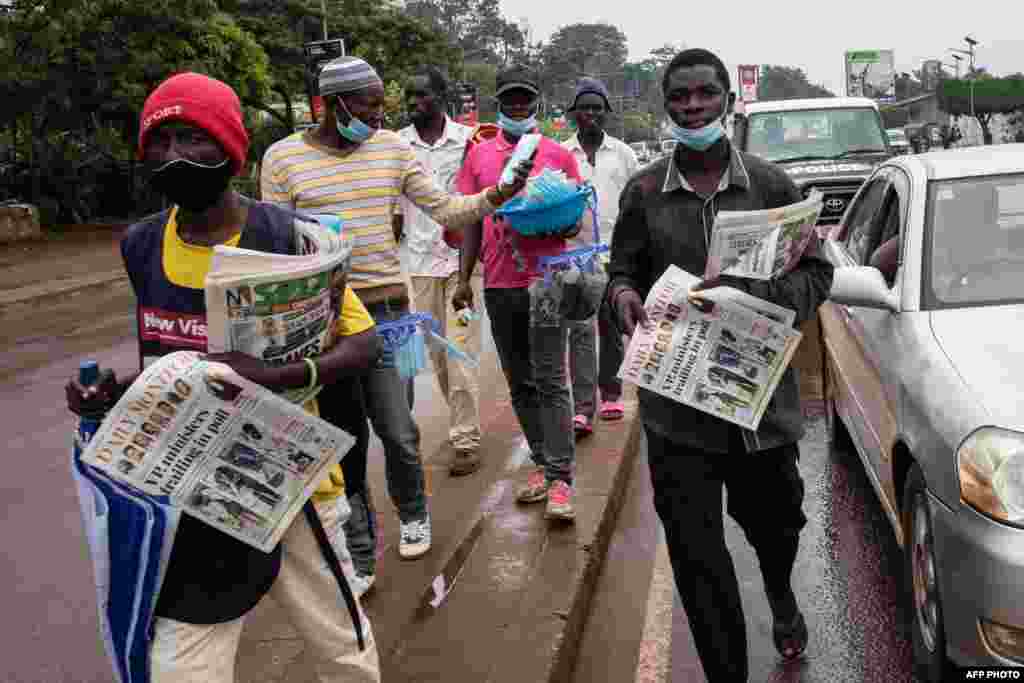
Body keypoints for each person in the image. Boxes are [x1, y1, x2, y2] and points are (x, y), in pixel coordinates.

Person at [65, 72, 382, 683]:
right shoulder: (141, 246)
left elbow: (363, 343)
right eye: (160, 141)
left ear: (231, 150)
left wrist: (279, 372)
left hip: (291, 488)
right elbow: (167, 363)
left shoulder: (289, 239)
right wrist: (109, 394)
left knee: (340, 647)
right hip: (188, 493)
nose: (174, 155)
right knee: (181, 665)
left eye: (194, 138)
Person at [607, 49, 833, 681]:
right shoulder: (644, 192)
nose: (693, 107)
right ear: (667, 106)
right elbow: (620, 271)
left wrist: (764, 306)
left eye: (706, 95)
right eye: (680, 98)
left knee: (778, 526)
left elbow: (818, 273)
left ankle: (781, 594)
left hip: (761, 410)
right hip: (677, 417)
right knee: (699, 561)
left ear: (728, 100)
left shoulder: (770, 185)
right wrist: (623, 297)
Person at [260, 56, 531, 585]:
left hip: (386, 312)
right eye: (368, 104)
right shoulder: (282, 158)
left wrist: (499, 195)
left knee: (398, 429)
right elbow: (275, 241)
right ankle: (359, 545)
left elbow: (448, 209)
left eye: (383, 103)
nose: (380, 115)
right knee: (342, 439)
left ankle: (413, 513)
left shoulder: (392, 149)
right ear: (333, 104)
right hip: (320, 320)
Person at [453, 64, 584, 521]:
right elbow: (471, 219)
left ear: (537, 102)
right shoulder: (479, 157)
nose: (517, 106)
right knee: (521, 383)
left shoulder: (557, 155)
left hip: (546, 277)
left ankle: (562, 479)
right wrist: (462, 279)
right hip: (500, 282)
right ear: (498, 103)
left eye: (525, 99)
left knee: (550, 379)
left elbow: (574, 217)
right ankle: (544, 464)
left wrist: (562, 222)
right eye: (509, 99)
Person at [396, 66, 483, 476]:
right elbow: (394, 211)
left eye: (422, 96)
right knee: (439, 357)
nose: (414, 104)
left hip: (463, 265)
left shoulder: (469, 141)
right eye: (409, 98)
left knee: (460, 350)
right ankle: (463, 421)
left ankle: (465, 439)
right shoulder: (396, 146)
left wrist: (467, 274)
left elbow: (479, 204)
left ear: (442, 97)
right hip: (420, 266)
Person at [560, 77, 638, 437]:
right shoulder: (560, 154)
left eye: (597, 107)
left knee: (610, 327)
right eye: (584, 107)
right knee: (578, 330)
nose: (590, 113)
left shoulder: (623, 154)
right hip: (574, 256)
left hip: (613, 252)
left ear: (606, 112)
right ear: (573, 112)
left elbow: (635, 206)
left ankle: (611, 394)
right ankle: (583, 407)